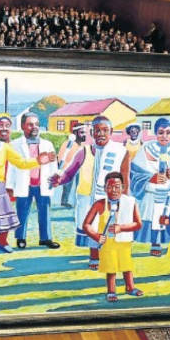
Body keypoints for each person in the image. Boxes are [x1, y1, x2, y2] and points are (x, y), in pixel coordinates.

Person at [0, 112, 54, 258]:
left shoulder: (4, 146)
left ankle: (1, 242)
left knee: (4, 217)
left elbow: (21, 163)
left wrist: (38, 161)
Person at [50, 116, 129, 270]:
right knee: (91, 226)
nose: (101, 134)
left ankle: (109, 255)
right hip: (86, 198)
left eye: (105, 130)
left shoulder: (121, 151)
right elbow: (69, 173)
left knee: (110, 226)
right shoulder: (83, 151)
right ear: (92, 133)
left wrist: (124, 201)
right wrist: (59, 180)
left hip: (110, 197)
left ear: (111, 132)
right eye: (97, 130)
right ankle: (94, 255)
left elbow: (125, 178)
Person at [130, 117, 170, 257]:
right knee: (154, 216)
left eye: (168, 132)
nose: (164, 136)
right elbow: (134, 172)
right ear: (155, 132)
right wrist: (151, 178)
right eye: (161, 132)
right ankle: (155, 242)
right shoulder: (146, 147)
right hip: (152, 192)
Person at [83, 172, 143, 302]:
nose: (113, 190)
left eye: (117, 186)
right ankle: (111, 291)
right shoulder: (99, 204)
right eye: (110, 187)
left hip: (124, 242)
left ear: (123, 187)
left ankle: (130, 287)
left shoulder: (131, 202)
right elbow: (86, 225)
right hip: (107, 243)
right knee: (110, 268)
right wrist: (96, 236)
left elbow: (138, 224)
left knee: (127, 265)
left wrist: (121, 228)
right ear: (104, 188)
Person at [6, 112, 60, 249]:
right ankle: (20, 237)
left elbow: (53, 164)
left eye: (36, 124)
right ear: (23, 126)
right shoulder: (15, 144)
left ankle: (46, 238)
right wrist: (9, 186)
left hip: (42, 183)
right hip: (24, 183)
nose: (34, 127)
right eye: (30, 124)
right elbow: (11, 167)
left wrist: (55, 177)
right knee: (22, 212)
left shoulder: (47, 144)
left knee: (45, 211)